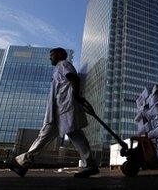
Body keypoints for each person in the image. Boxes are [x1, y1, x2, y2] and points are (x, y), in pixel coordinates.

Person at [10, 47, 99, 178]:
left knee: (60, 134)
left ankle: (22, 162)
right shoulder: (58, 68)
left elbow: (74, 78)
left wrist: (76, 96)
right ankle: (23, 163)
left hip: (64, 108)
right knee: (69, 134)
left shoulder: (63, 64)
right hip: (59, 109)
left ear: (59, 54)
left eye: (52, 55)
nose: (50, 57)